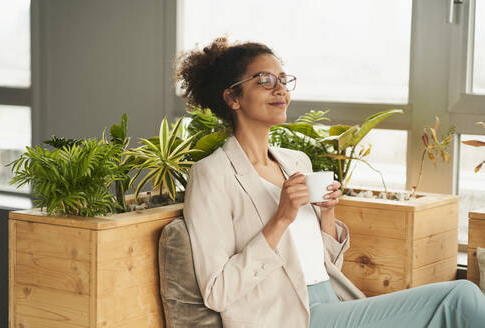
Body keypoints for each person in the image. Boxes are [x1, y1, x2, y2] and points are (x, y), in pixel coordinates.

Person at [177, 37, 485, 328]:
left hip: (333, 301)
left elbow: (322, 262)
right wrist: (281, 218)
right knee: (460, 297)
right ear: (232, 97)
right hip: (287, 317)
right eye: (265, 80)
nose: (280, 89)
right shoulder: (212, 175)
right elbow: (217, 291)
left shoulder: (295, 162)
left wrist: (327, 214)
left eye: (284, 80)